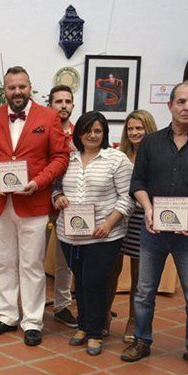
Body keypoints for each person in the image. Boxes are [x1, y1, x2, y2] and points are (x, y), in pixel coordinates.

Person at [121, 80, 188, 375]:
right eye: (181, 101)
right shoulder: (151, 143)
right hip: (153, 232)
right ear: (170, 105)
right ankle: (142, 340)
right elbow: (138, 184)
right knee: (144, 292)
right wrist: (148, 208)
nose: (186, 107)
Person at [0, 66, 69, 346]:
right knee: (4, 262)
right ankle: (6, 316)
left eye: (22, 87)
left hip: (34, 202)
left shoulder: (48, 117)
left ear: (30, 87)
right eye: (12, 87)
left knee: (31, 264)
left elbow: (60, 157)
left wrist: (39, 182)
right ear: (4, 90)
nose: (17, 92)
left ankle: (32, 321)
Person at [52, 111, 133, 355]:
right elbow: (55, 188)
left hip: (104, 235)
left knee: (95, 281)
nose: (92, 135)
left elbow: (128, 197)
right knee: (81, 281)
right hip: (70, 234)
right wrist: (58, 197)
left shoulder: (116, 160)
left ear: (105, 134)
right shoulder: (68, 158)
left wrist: (109, 223)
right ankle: (84, 326)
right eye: (88, 130)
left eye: (98, 131)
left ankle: (96, 332)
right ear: (79, 133)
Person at [106, 110, 157, 343]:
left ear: (149, 129)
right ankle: (103, 316)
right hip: (119, 218)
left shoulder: (158, 155)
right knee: (110, 271)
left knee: (140, 276)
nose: (135, 132)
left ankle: (133, 321)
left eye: (140, 128)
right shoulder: (118, 155)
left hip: (142, 220)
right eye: (131, 128)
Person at [45, 85, 78, 329]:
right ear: (51, 105)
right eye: (59, 101)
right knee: (32, 258)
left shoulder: (81, 135)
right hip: (38, 202)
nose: (63, 105)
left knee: (65, 260)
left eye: (68, 101)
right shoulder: (41, 132)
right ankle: (30, 306)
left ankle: (62, 305)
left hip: (69, 206)